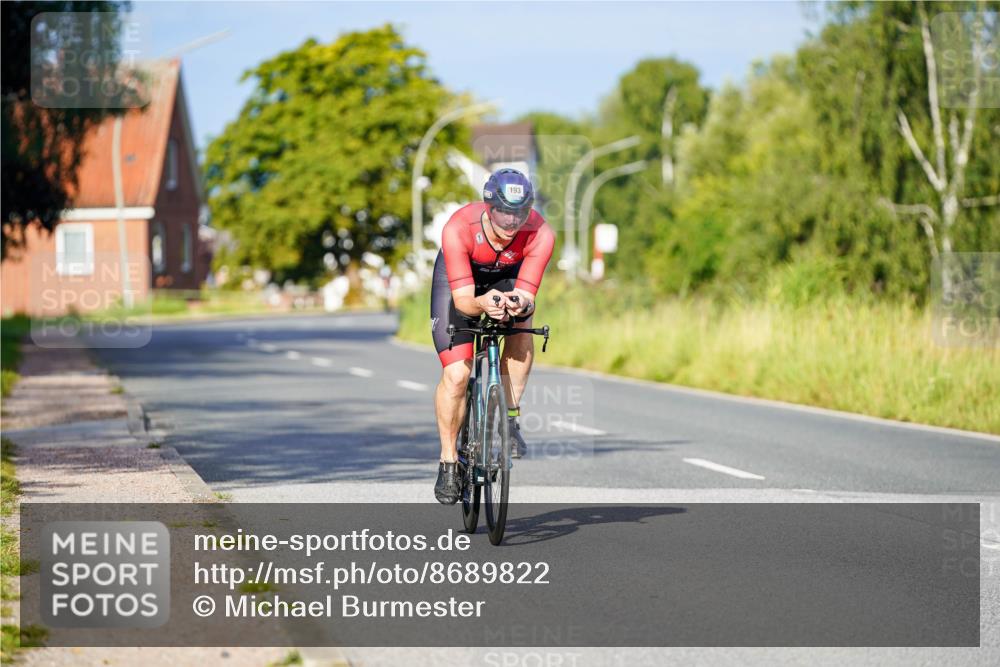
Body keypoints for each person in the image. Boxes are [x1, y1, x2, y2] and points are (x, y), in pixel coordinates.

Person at [431, 168, 555, 504]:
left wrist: (518, 302)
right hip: (461, 285)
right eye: (503, 211)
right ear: (488, 207)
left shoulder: (541, 233)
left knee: (523, 320)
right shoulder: (459, 227)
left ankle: (510, 419)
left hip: (506, 281)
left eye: (519, 213)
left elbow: (529, 292)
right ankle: (449, 462)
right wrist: (483, 303)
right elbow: (464, 301)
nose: (511, 222)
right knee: (457, 375)